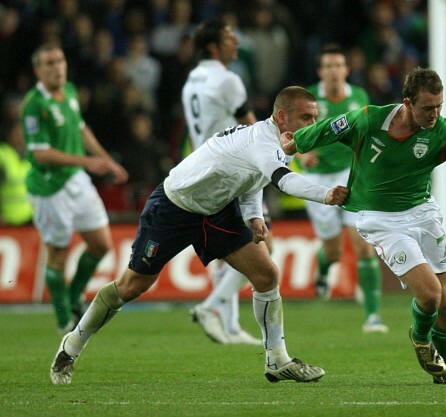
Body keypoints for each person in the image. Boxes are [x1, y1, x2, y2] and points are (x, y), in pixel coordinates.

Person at [50, 86, 348, 386]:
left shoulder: (279, 142)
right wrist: (326, 194)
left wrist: (253, 215)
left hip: (217, 210)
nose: (313, 125)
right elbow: (282, 180)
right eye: (306, 118)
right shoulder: (262, 141)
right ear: (282, 117)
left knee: (267, 275)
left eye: (315, 118)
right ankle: (71, 345)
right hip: (173, 207)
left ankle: (277, 360)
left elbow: (253, 180)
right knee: (131, 286)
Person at [281, 67, 446, 385]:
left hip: (424, 214)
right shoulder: (370, 119)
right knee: (430, 297)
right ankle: (419, 337)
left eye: (439, 106)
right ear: (407, 103)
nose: (435, 114)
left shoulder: (442, 130)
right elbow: (329, 128)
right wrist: (297, 144)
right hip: (381, 219)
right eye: (428, 107)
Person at [21, 43, 128, 334]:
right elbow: (40, 153)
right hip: (49, 187)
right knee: (58, 254)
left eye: (60, 60)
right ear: (38, 70)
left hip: (75, 179)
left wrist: (106, 160)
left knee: (101, 244)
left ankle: (73, 296)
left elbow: (80, 129)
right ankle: (62, 319)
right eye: (50, 63)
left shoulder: (68, 92)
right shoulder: (34, 105)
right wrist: (88, 162)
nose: (57, 67)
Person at [298, 43, 388, 333]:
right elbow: (291, 135)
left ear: (347, 70)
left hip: (352, 175)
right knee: (334, 251)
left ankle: (372, 317)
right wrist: (301, 154)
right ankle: (323, 269)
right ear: (320, 71)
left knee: (363, 245)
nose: (334, 71)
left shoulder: (359, 96)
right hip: (317, 180)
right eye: (328, 66)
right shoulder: (308, 99)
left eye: (339, 65)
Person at [181, 17, 261, 345]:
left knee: (229, 249)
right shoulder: (229, 80)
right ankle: (210, 308)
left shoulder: (191, 81)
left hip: (202, 167)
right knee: (256, 246)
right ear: (214, 46)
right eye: (230, 37)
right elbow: (252, 127)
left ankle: (230, 327)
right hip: (230, 170)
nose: (237, 42)